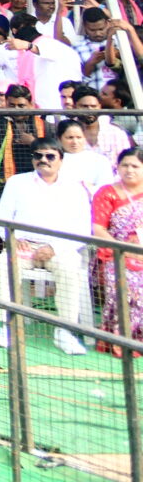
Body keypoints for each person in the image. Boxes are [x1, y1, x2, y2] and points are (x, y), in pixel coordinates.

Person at [0, 131, 93, 356]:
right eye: (38, 156)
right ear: (32, 158)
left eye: (50, 156)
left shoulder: (75, 187)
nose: (43, 160)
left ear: (60, 159)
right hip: (24, 246)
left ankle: (65, 330)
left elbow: (83, 227)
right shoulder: (17, 182)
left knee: (69, 269)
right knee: (3, 265)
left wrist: (55, 248)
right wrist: (13, 239)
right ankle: (7, 326)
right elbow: (2, 216)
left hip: (61, 248)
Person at [91, 149, 143, 353]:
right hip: (114, 253)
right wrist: (122, 250)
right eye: (125, 165)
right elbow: (98, 229)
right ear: (117, 167)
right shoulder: (107, 192)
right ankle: (125, 339)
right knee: (131, 282)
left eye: (135, 166)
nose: (129, 170)